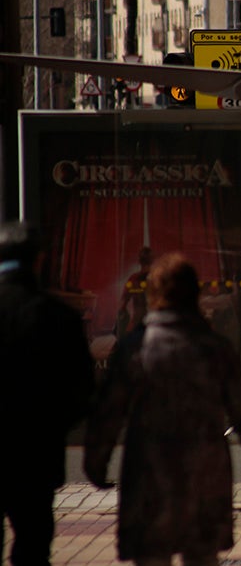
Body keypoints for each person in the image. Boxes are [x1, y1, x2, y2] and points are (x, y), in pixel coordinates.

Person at [84, 252, 241, 566]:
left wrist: (97, 461)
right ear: (195, 293)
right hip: (205, 475)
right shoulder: (215, 349)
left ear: (153, 295)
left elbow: (108, 412)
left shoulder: (135, 348)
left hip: (149, 474)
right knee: (202, 557)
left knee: (151, 556)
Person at [0, 222, 95, 565]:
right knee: (33, 545)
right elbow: (82, 389)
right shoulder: (59, 317)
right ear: (38, 261)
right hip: (35, 452)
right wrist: (53, 426)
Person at [117, 246, 153, 338]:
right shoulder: (157, 278)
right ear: (152, 260)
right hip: (152, 320)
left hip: (138, 319)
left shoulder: (133, 278)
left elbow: (124, 300)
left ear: (139, 261)